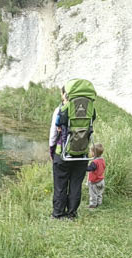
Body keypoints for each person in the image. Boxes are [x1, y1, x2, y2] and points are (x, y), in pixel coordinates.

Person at [49, 87, 87, 219]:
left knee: (60, 184)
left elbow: (54, 133)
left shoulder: (60, 109)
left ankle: (58, 213)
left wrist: (52, 150)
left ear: (65, 94)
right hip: (82, 153)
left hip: (63, 153)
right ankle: (72, 213)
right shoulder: (88, 109)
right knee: (76, 184)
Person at [86, 143, 106, 208]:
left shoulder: (94, 162)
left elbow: (89, 169)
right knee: (99, 193)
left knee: (93, 194)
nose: (90, 152)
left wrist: (83, 167)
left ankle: (93, 205)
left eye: (90, 151)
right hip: (101, 180)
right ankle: (99, 203)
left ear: (93, 153)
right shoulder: (102, 160)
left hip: (94, 182)